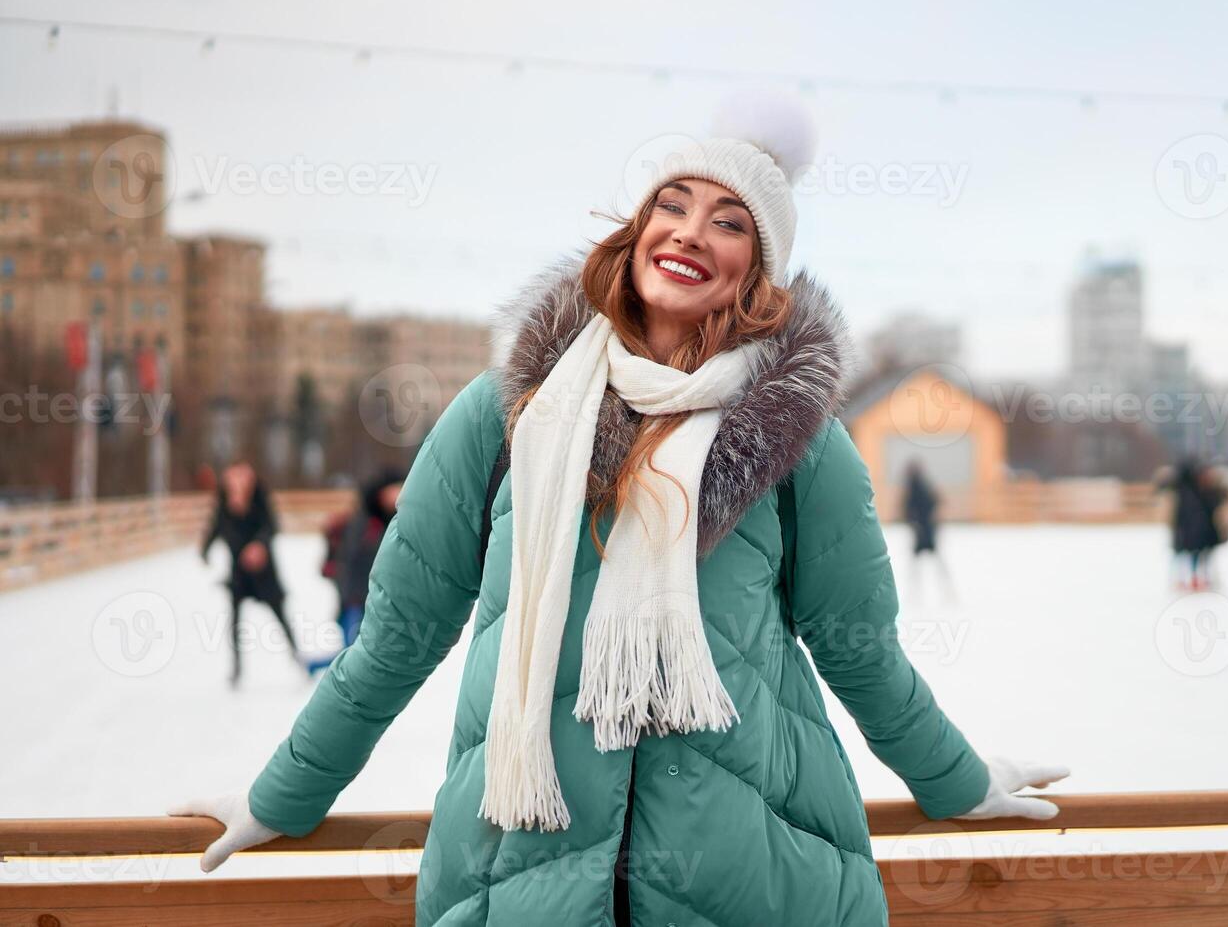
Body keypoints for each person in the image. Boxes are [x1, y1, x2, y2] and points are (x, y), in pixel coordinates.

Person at [169, 95, 1068, 926]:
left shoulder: (799, 439)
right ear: (637, 229)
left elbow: (858, 646)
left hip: (753, 877)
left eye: (728, 222)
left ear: (758, 269)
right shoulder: (507, 412)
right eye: (671, 205)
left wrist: (956, 779)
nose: (689, 233)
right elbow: (400, 634)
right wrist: (282, 793)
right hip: (523, 873)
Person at [200, 459, 302, 687]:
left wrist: (259, 545)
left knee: (280, 614)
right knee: (235, 619)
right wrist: (205, 549)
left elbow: (271, 525)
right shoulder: (224, 502)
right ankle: (236, 668)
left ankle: (297, 657)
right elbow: (216, 526)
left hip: (263, 571)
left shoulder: (259, 497)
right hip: (238, 573)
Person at [306, 467, 405, 675]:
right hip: (356, 600)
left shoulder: (396, 520)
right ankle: (313, 666)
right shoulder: (365, 522)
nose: (398, 495)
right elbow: (350, 562)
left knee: (360, 653)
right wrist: (352, 597)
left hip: (376, 600)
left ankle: (313, 666)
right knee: (354, 654)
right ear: (381, 492)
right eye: (394, 490)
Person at [1159, 457, 1228, 592]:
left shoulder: (1206, 490)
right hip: (1186, 531)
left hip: (1203, 532)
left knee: (1201, 557)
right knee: (1183, 557)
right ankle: (1184, 580)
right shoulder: (1185, 489)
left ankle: (1199, 579)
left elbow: (1217, 503)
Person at [902, 458, 959, 604]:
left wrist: (920, 523)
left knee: (930, 565)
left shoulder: (918, 487)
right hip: (924, 531)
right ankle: (917, 596)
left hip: (925, 531)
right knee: (928, 565)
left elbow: (931, 504)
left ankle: (944, 595)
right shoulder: (919, 486)